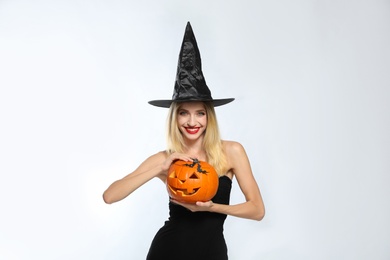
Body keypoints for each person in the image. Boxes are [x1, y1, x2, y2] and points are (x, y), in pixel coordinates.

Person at [103, 22, 265, 260]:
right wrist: (160, 168)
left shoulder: (231, 151)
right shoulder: (165, 159)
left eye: (200, 112)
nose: (192, 121)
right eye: (183, 113)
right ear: (174, 117)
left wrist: (213, 207)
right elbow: (110, 196)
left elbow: (257, 209)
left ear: (209, 116)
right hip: (168, 251)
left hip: (212, 253)